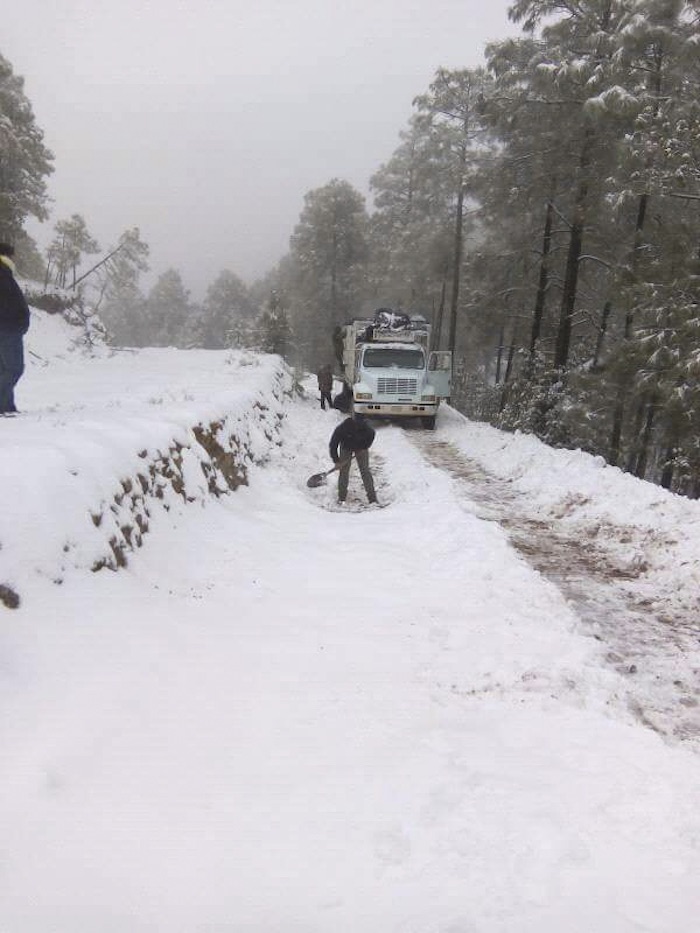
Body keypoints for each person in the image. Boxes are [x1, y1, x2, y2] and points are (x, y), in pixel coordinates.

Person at [0, 243, 30, 415]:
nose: (14, 259)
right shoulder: (3, 274)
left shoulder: (5, 273)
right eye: (12, 255)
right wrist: (18, 321)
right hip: (7, 329)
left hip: (7, 328)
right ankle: (3, 406)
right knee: (13, 368)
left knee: (4, 369)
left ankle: (7, 405)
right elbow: (7, 304)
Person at [329, 410, 377, 504]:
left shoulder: (367, 429)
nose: (357, 426)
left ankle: (372, 498)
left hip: (361, 447)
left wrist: (364, 447)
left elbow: (372, 436)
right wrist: (337, 461)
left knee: (365, 471)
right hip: (346, 447)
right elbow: (333, 444)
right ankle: (341, 497)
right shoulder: (343, 428)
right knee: (344, 471)